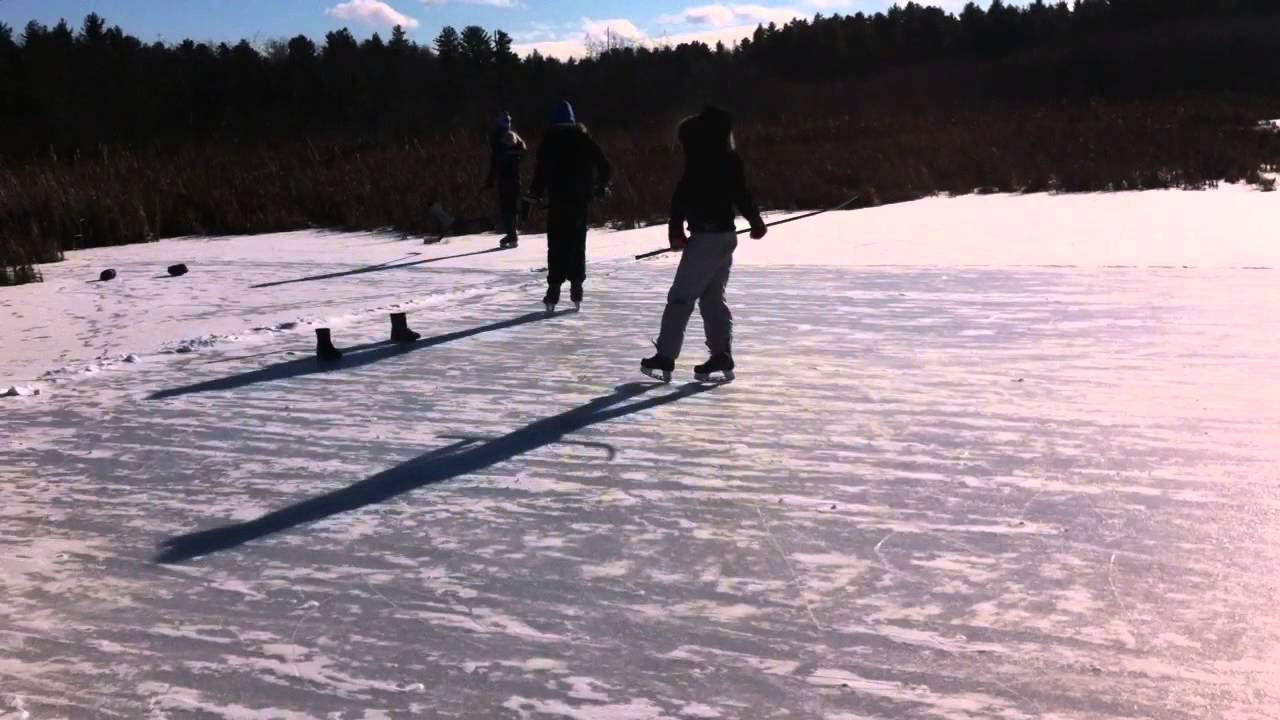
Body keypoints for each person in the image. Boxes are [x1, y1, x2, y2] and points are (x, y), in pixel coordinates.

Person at [641, 107, 766, 383]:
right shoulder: (729, 159)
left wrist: (675, 230)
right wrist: (755, 221)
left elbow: (681, 196)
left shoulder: (699, 160)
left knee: (681, 298)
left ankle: (665, 356)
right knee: (712, 299)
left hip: (706, 239)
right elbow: (741, 194)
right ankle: (721, 354)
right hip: (726, 238)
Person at [527, 101, 613, 312]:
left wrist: (533, 195)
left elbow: (540, 174)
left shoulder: (549, 143)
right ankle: (576, 288)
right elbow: (606, 167)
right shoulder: (584, 140)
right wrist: (601, 185)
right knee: (576, 244)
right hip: (579, 202)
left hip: (557, 201)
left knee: (556, 245)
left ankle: (554, 290)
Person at [484, 112, 527, 249]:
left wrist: (490, 180)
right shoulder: (516, 138)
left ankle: (512, 235)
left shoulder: (498, 139)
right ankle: (512, 234)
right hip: (516, 179)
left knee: (506, 208)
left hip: (504, 180)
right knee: (512, 208)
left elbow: (494, 163)